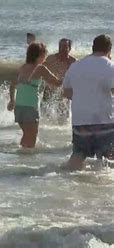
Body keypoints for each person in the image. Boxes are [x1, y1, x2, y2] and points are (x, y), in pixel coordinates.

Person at [62, 34, 114, 171]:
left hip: (80, 121)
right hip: (103, 121)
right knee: (108, 159)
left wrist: (83, 98)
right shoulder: (109, 66)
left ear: (93, 47)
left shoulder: (75, 66)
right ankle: (100, 187)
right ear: (110, 49)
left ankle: (64, 179)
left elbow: (66, 92)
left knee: (79, 155)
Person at [7, 42, 62, 148]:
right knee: (31, 137)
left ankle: (21, 158)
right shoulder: (40, 68)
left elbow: (12, 84)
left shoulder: (23, 67)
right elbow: (57, 83)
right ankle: (26, 161)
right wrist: (69, 75)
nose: (45, 57)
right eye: (44, 54)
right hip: (30, 107)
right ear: (39, 55)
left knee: (27, 135)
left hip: (19, 107)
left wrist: (11, 100)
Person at [41, 38, 77, 124]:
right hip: (48, 91)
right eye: (60, 47)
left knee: (63, 121)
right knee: (44, 119)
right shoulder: (50, 59)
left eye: (65, 47)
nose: (62, 49)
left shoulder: (73, 62)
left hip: (63, 94)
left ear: (69, 48)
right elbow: (39, 70)